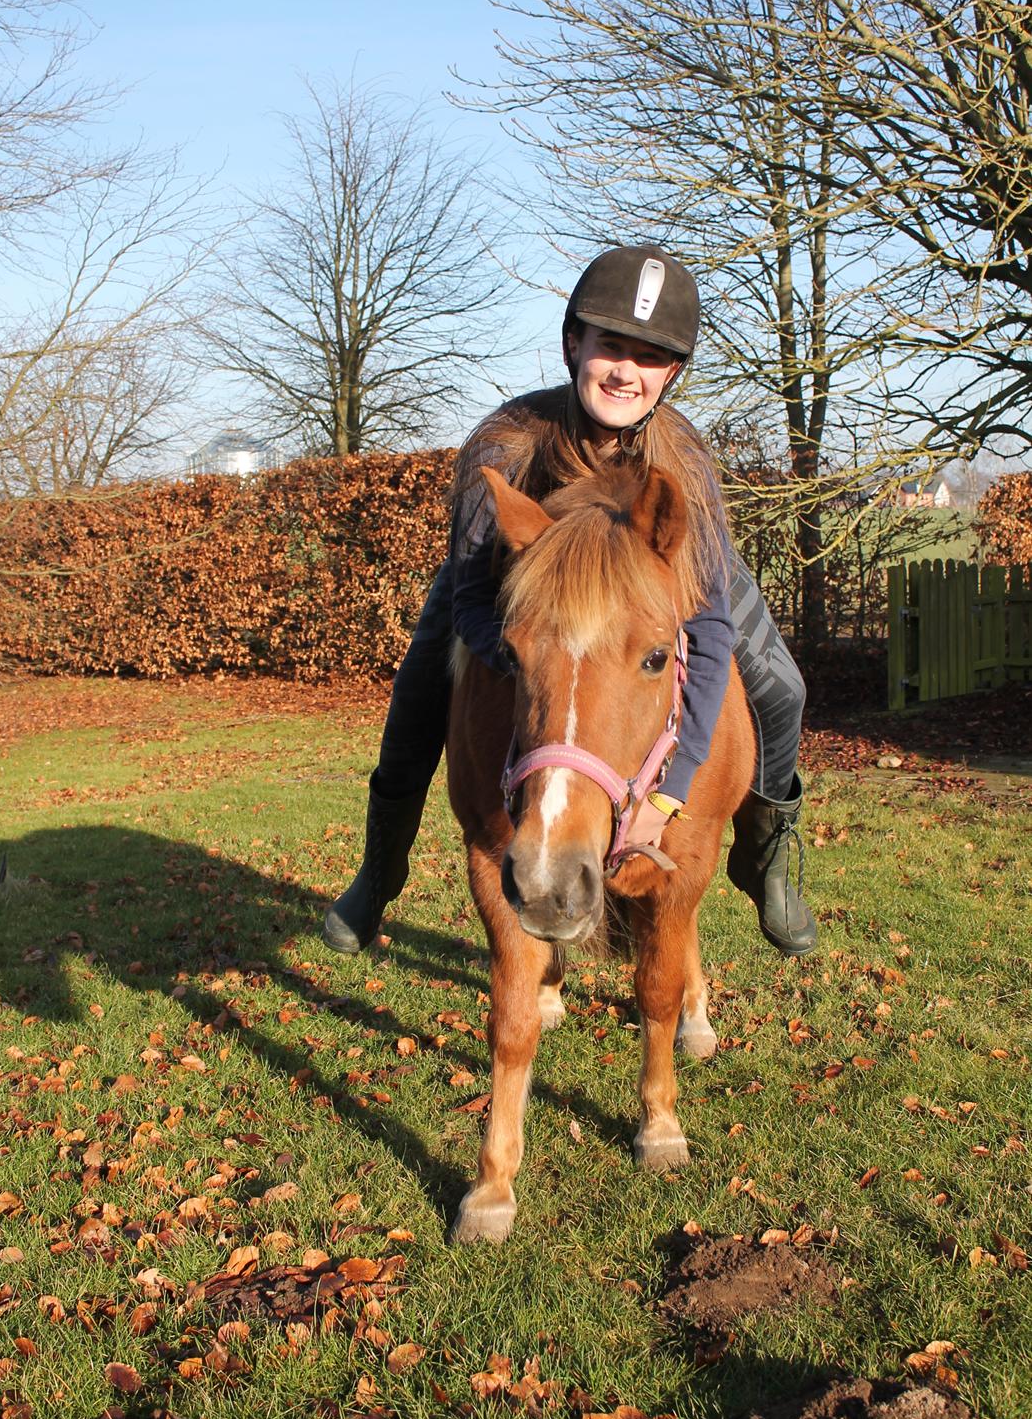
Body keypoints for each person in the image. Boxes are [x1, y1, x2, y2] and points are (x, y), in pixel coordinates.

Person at [322, 246, 816, 958]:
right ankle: (380, 869)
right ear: (572, 345)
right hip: (513, 590)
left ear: (671, 374)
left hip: (667, 574)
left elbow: (708, 628)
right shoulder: (503, 443)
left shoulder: (685, 458)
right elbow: (471, 600)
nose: (625, 371)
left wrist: (671, 789)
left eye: (650, 357)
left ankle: (766, 862)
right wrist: (545, 659)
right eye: (610, 346)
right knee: (417, 689)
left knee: (780, 688)